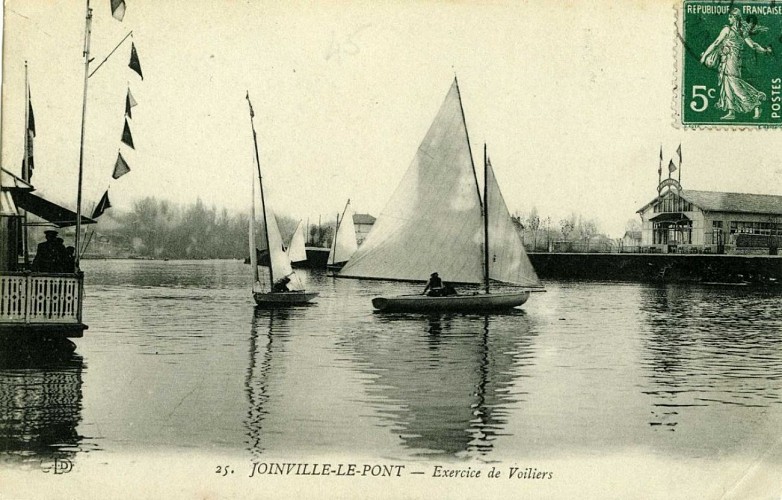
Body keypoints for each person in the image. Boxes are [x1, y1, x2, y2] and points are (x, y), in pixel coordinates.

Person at [700, 8, 772, 120]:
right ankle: (731, 111)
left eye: (730, 16)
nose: (728, 18)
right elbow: (753, 45)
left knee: (734, 84)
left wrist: (704, 56)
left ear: (735, 18)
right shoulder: (742, 32)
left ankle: (756, 102)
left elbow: (716, 43)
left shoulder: (727, 30)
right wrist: (764, 50)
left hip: (731, 61)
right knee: (727, 84)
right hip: (730, 61)